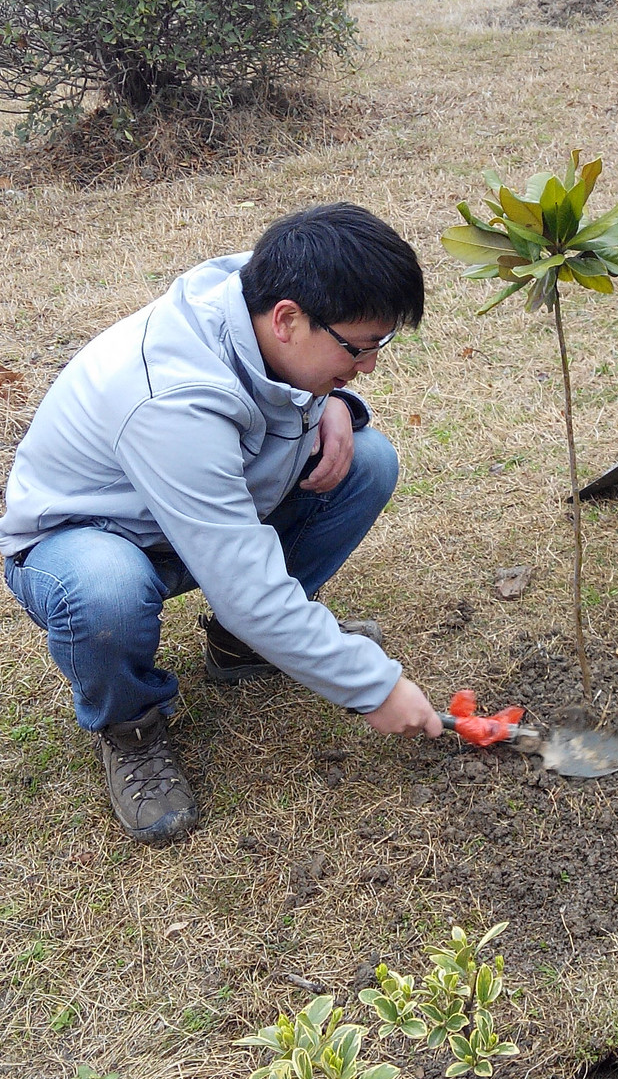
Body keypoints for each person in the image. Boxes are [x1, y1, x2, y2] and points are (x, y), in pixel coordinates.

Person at [0, 204, 444, 845]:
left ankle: (244, 647)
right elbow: (244, 580)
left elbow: (288, 388)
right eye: (360, 347)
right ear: (289, 320)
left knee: (365, 462)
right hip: (90, 536)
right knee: (105, 593)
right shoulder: (171, 398)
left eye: (380, 344)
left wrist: (337, 400)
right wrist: (374, 690)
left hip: (199, 508)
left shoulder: (261, 298)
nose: (370, 363)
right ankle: (131, 726)